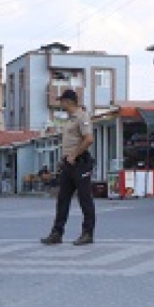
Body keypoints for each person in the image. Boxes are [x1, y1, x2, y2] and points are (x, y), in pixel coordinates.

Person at [41, 89, 96, 246]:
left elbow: (89, 139)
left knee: (85, 199)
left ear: (68, 101)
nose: (60, 104)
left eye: (62, 101)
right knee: (62, 199)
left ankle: (87, 233)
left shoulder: (82, 116)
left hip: (81, 163)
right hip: (68, 164)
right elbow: (70, 142)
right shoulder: (69, 119)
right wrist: (64, 159)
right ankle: (57, 233)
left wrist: (74, 155)